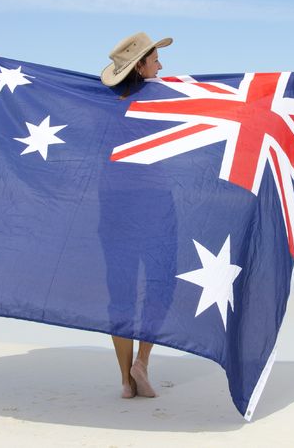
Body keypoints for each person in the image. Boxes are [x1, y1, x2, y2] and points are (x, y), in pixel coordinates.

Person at [100, 32, 173, 399]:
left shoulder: (100, 104)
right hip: (155, 204)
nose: (161, 66)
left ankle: (125, 381)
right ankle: (142, 362)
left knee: (121, 291)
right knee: (161, 282)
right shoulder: (160, 99)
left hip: (113, 206)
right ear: (140, 65)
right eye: (156, 60)